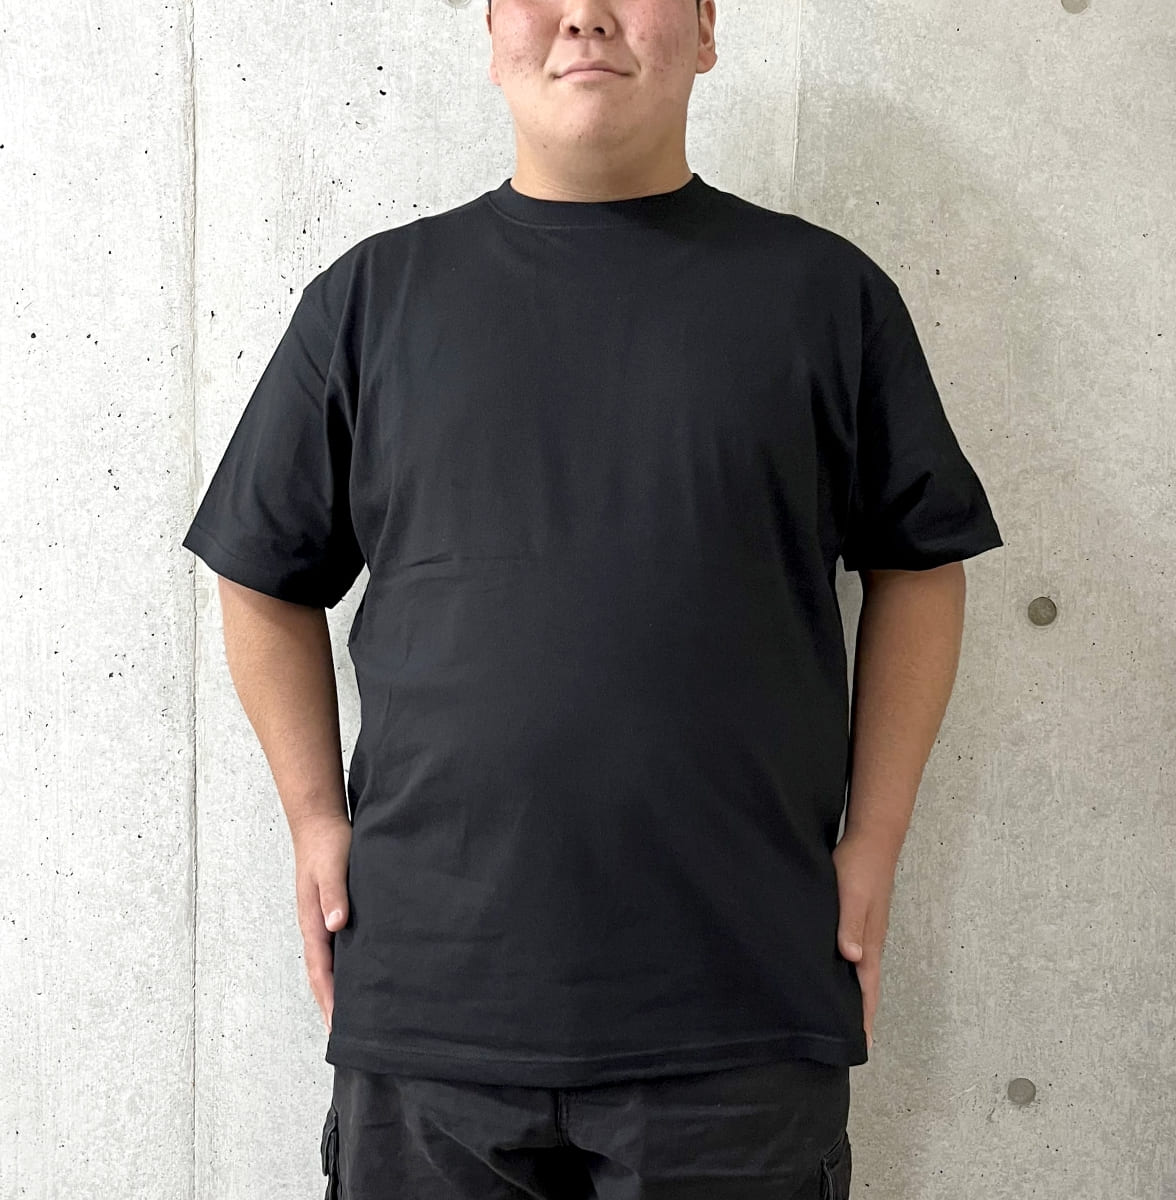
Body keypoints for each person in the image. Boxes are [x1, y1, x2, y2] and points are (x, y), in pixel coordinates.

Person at [181, 0, 1003, 1195]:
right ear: (492, 33)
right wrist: (314, 822)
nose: (585, 16)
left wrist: (875, 842)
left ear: (707, 29)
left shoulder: (825, 296)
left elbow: (921, 565)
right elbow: (261, 573)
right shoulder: (372, 300)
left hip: (737, 998)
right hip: (434, 998)